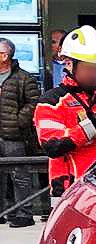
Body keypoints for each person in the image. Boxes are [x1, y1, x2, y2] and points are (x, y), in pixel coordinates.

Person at [34, 25, 96, 200]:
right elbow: (53, 146)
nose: (95, 74)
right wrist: (95, 124)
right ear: (70, 64)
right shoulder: (51, 102)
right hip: (70, 193)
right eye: (89, 68)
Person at [0, 37, 41, 228]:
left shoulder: (24, 78)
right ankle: (2, 211)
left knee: (19, 175)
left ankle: (23, 213)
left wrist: (18, 121)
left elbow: (34, 103)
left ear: (5, 55)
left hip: (14, 135)